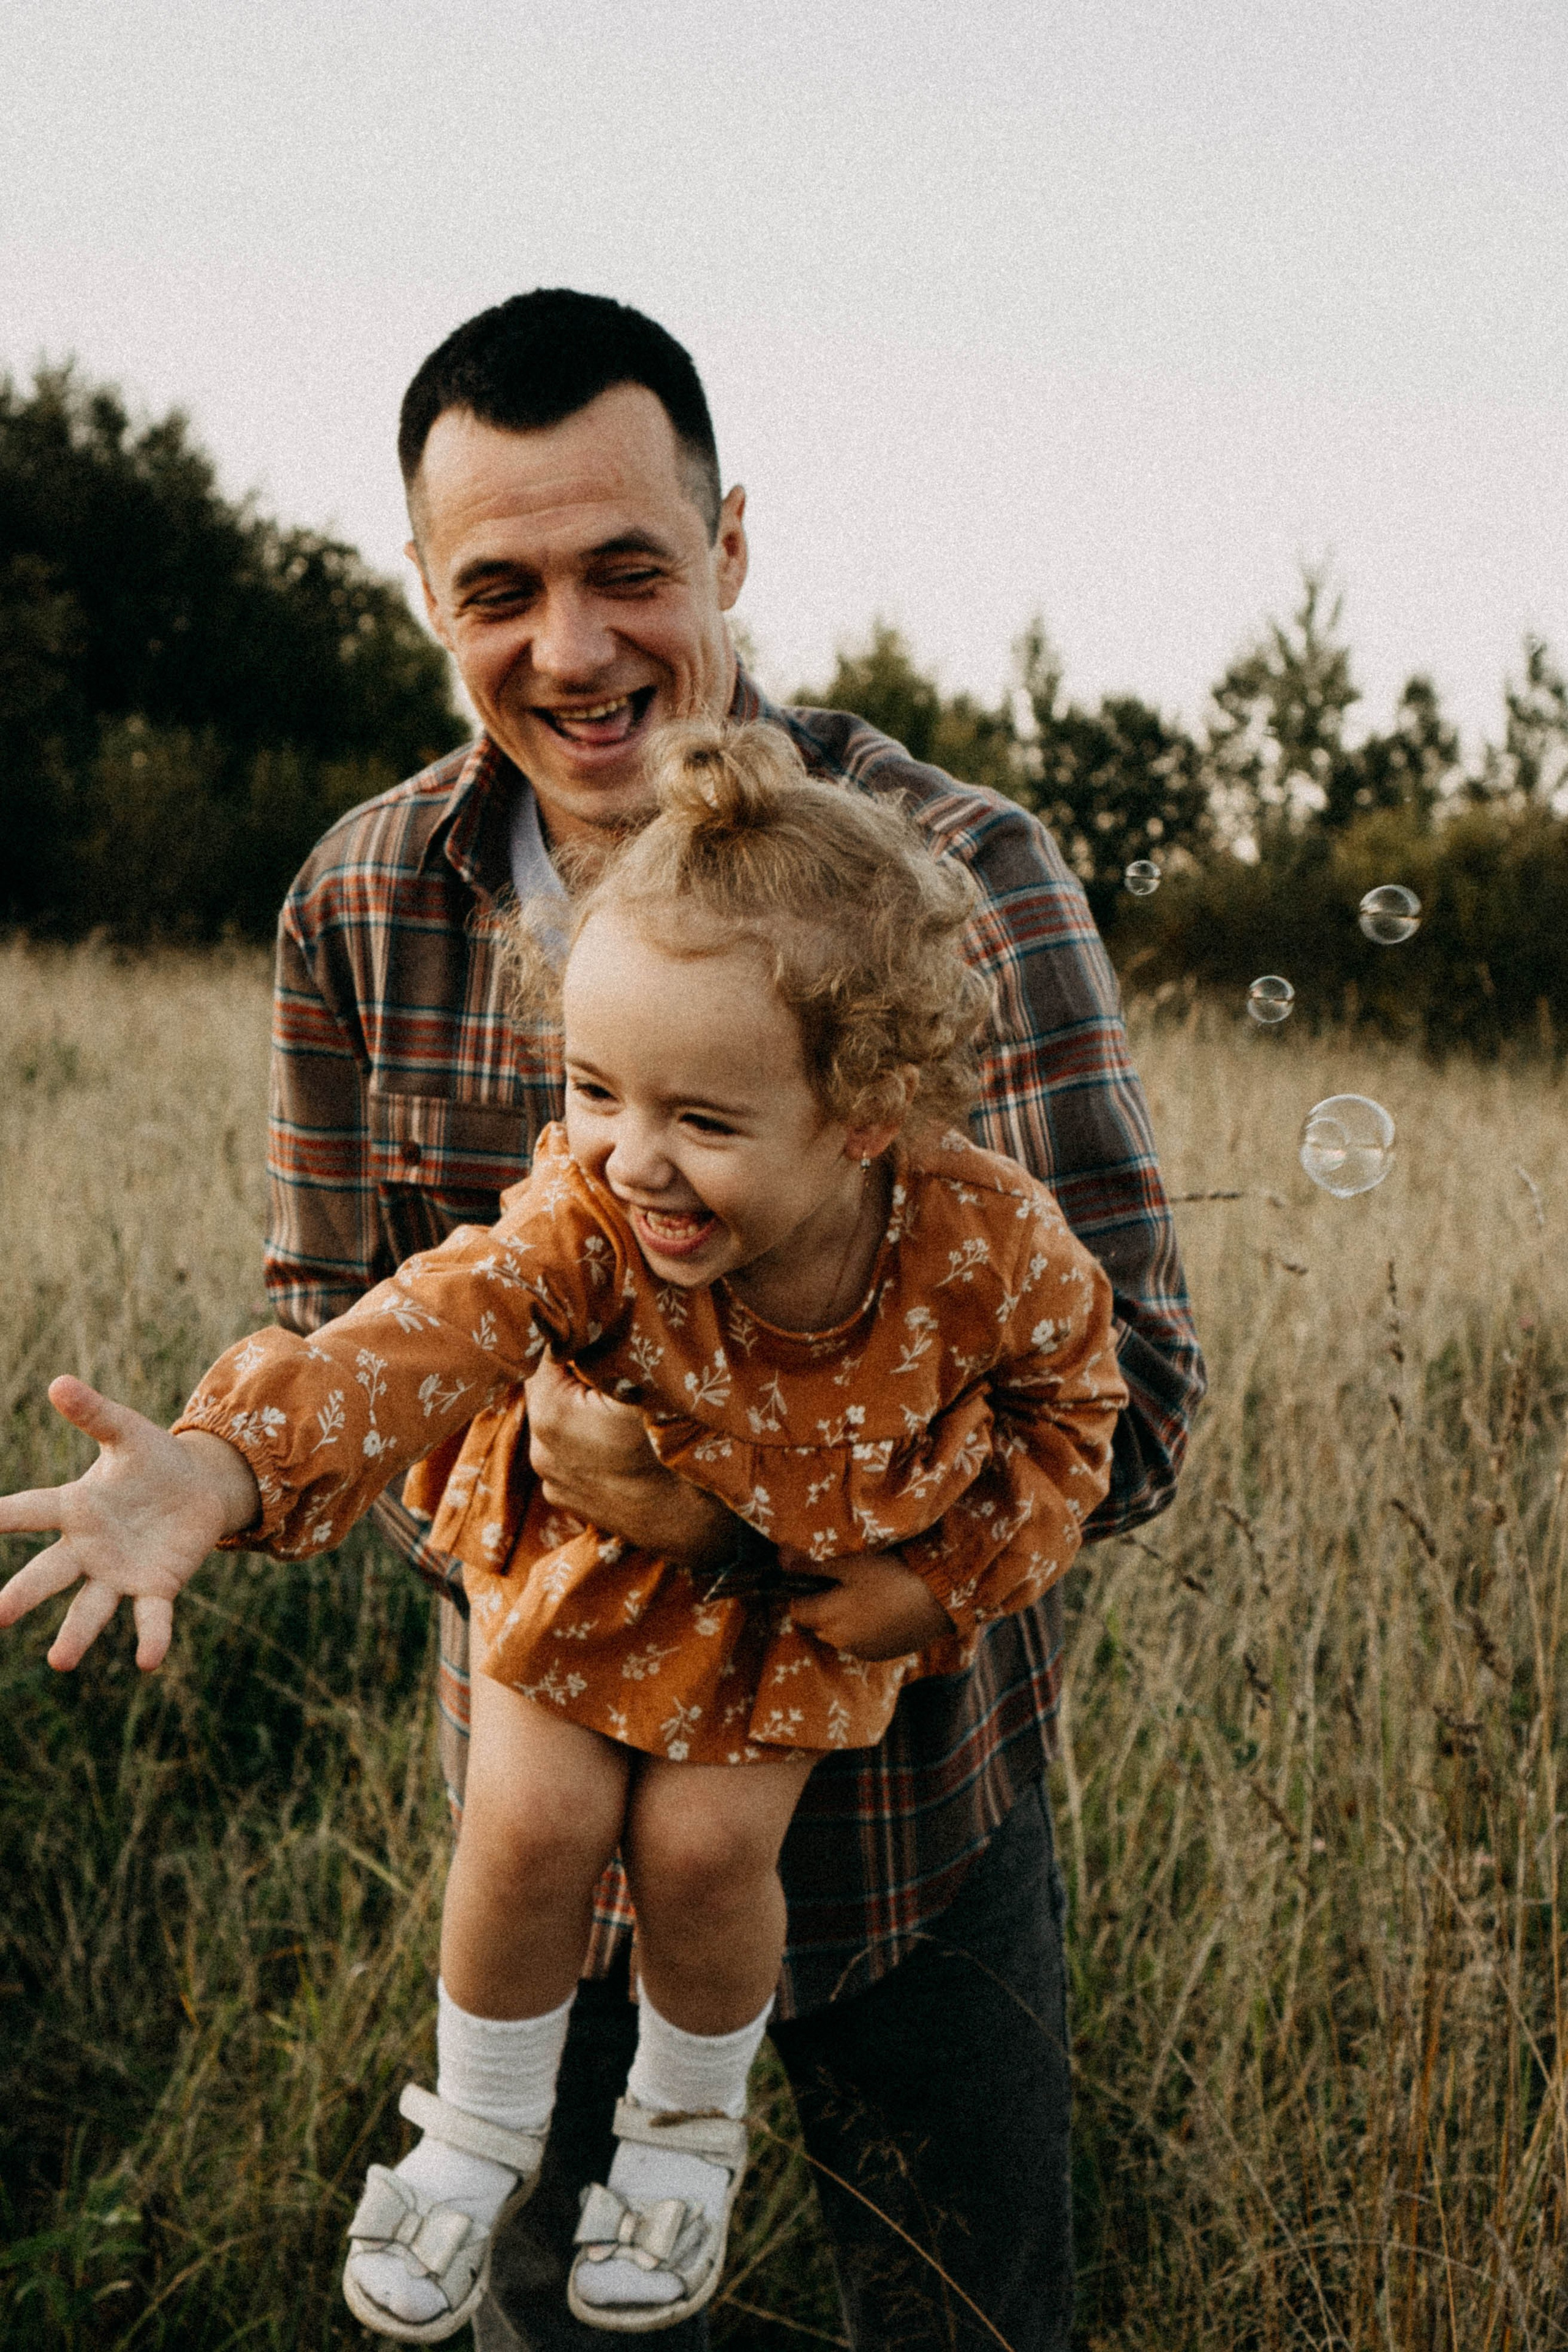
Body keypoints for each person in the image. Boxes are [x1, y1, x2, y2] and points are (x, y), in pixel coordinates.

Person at [89, 290, 1206, 2347]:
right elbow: (368, 1327)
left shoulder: (964, 885)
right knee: (562, 2324)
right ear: (429, 595)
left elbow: (1133, 1401)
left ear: (731, 549)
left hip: (915, 1832)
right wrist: (243, 1470)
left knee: (971, 2318)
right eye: (499, 590)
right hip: (546, 1844)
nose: (574, 649)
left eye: (630, 571)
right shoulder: (361, 902)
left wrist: (774, 1533)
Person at [0, 720, 1129, 2340]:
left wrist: (939, 1581)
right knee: (524, 1836)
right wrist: (222, 1464)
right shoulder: (588, 1214)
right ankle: (472, 2136)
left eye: (706, 1120)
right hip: (579, 1571)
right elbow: (429, 1323)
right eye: (595, 1090)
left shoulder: (987, 1253)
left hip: (792, 1610)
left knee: (704, 1851)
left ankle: (680, 2141)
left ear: (867, 1116)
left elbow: (1078, 1424)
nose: (632, 1157)